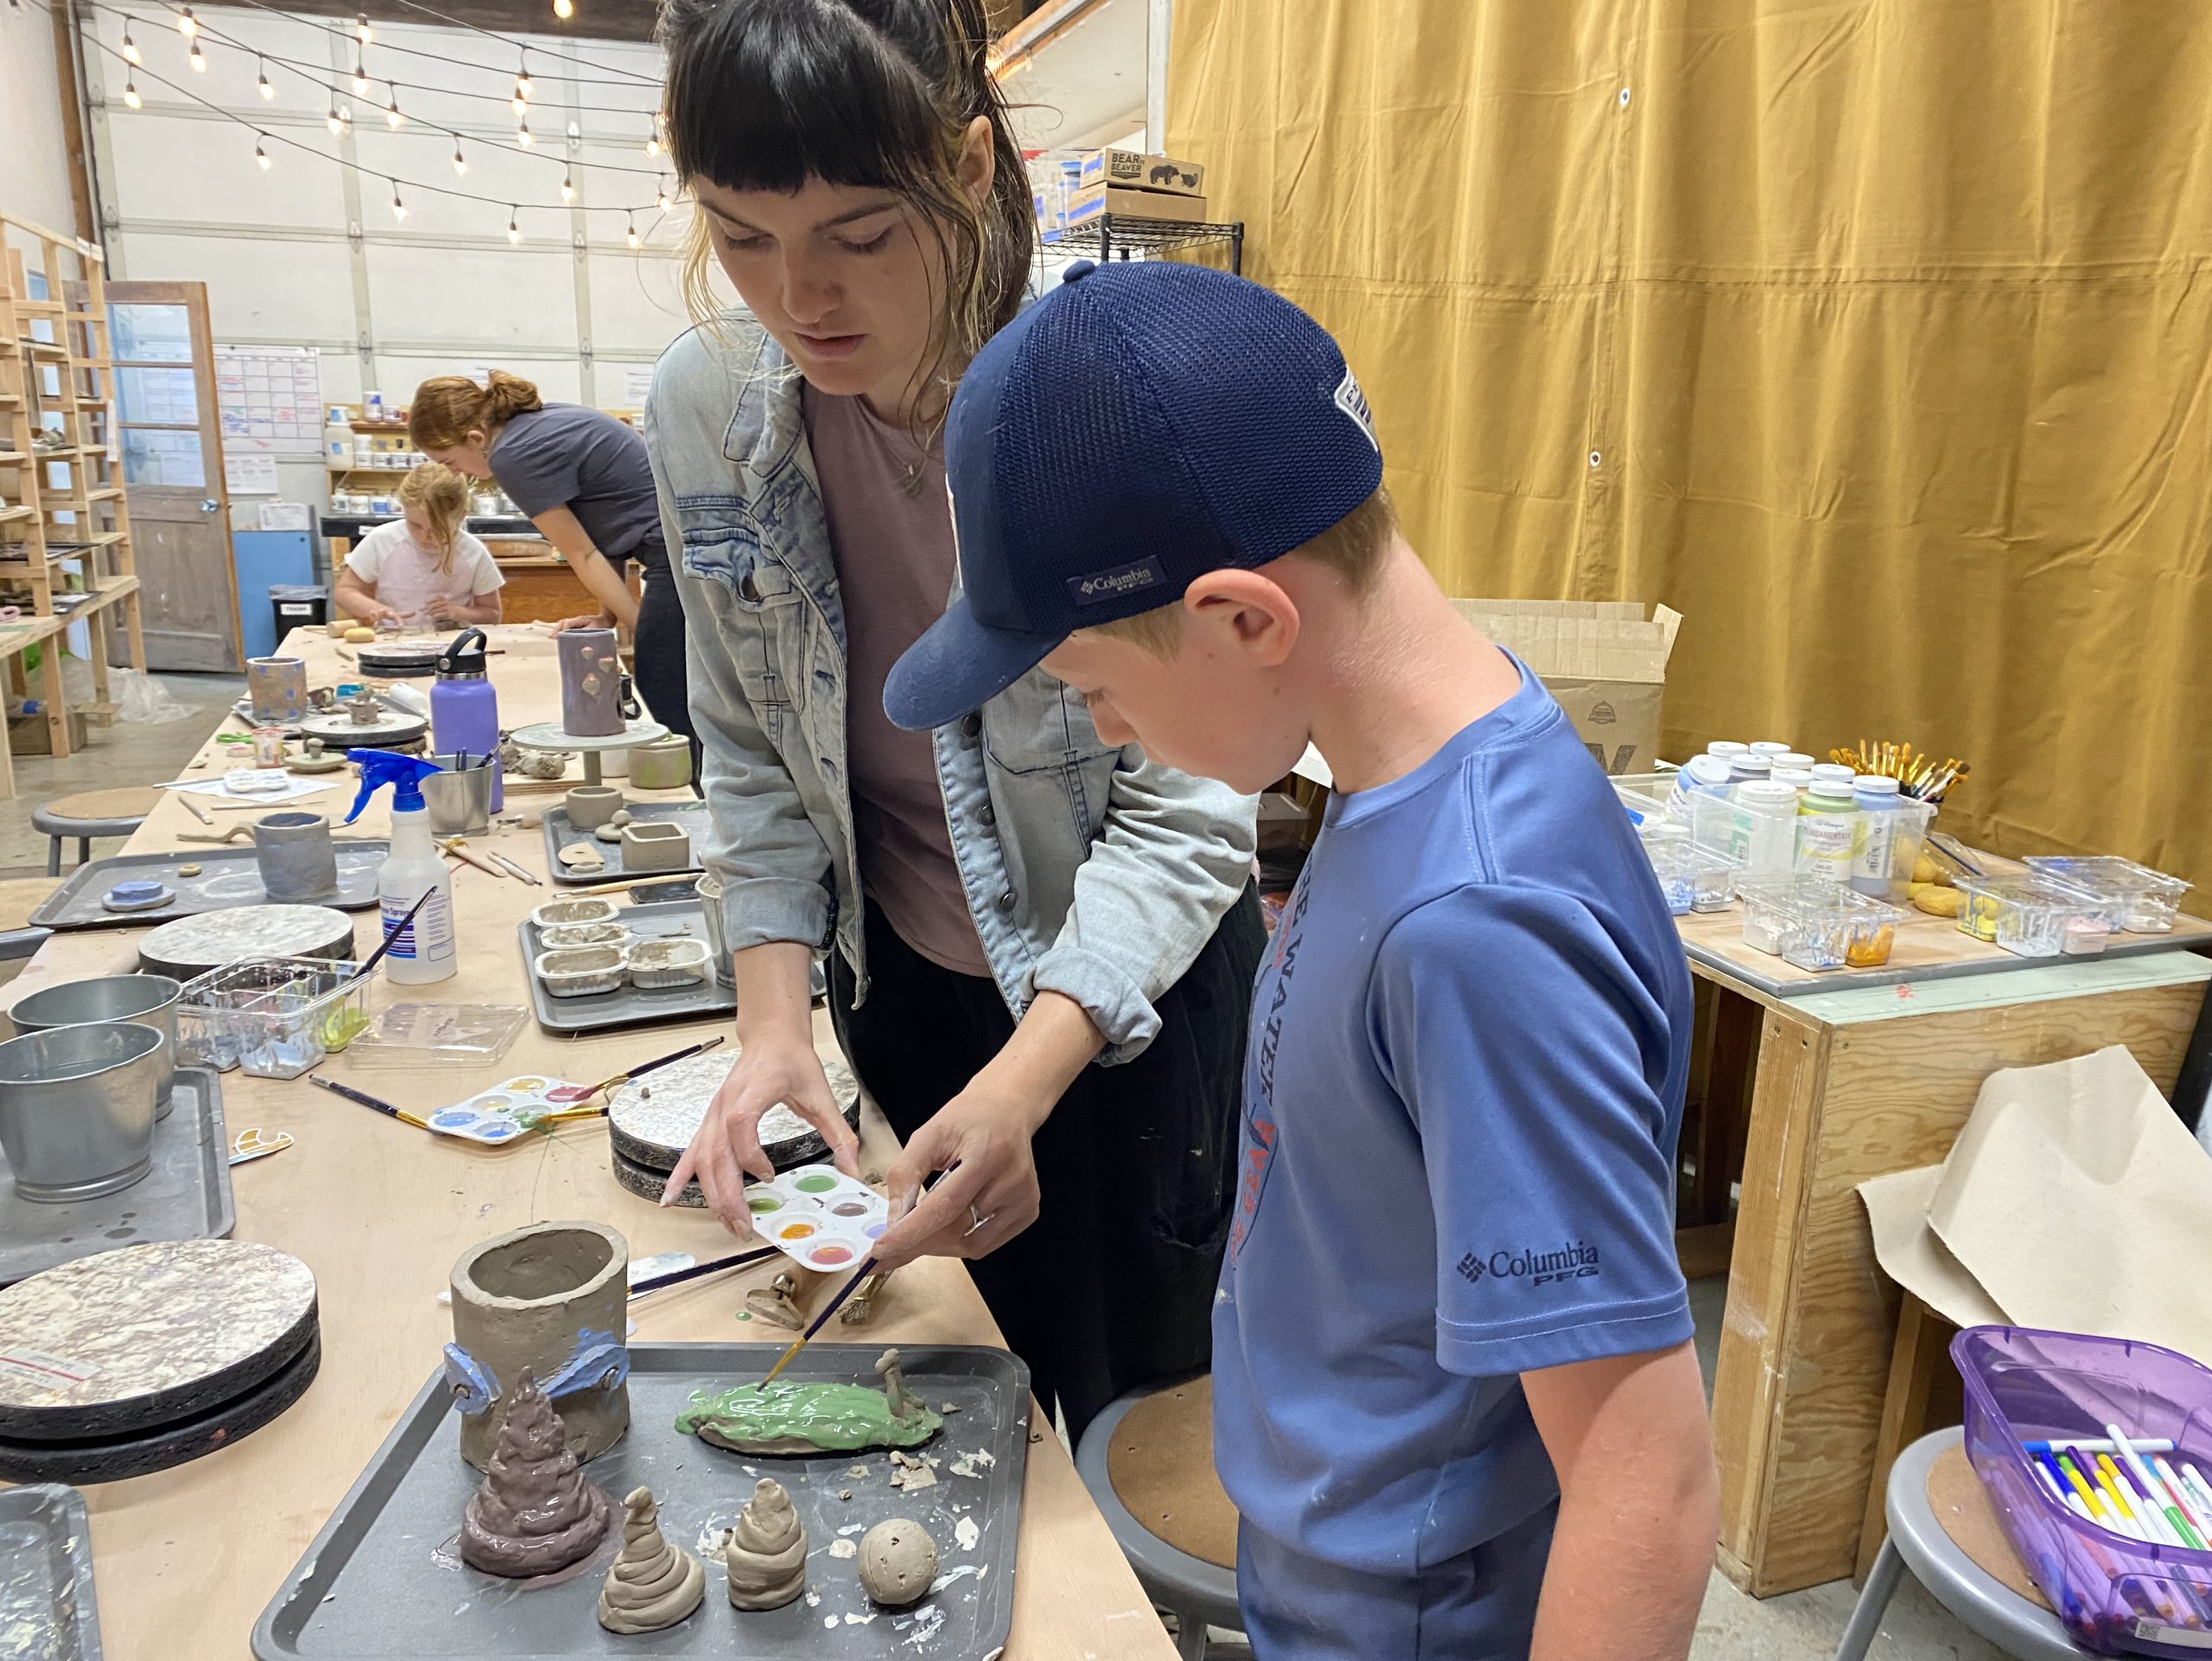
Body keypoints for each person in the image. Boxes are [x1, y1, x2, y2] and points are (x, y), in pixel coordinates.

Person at [883, 260, 1719, 1659]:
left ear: (1245, 620)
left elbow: (1649, 1481)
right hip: (1340, 1546)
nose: (1106, 732)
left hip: (1405, 1614)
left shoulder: (1477, 926)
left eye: (1093, 688)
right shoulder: (1410, 769)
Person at [645, 0, 1264, 1440]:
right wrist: (773, 1027)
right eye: (740, 237)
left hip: (1126, 1004)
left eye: (860, 234)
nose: (800, 296)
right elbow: (748, 748)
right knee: (947, 1393)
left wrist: (1030, 1077)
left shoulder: (1103, 394)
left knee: (1133, 1415)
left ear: (970, 167)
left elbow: (1194, 802)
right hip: (907, 994)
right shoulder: (708, 406)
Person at [407, 372, 696, 760]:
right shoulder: (532, 426)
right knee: (667, 673)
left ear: (475, 437)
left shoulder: (512, 454)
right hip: (674, 544)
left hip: (676, 550)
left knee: (661, 680)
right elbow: (602, 531)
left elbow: (582, 553)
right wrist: (607, 617)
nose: (455, 473)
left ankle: (690, 785)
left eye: (449, 461)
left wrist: (640, 630)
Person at [334, 462, 503, 629]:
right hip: (394, 637)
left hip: (452, 641)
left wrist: (458, 612)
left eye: (437, 529)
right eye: (415, 525)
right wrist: (375, 608)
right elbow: (344, 591)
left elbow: (493, 614)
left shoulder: (473, 552)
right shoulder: (382, 540)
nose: (424, 536)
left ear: (460, 517)